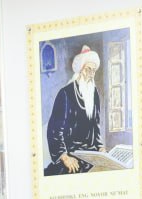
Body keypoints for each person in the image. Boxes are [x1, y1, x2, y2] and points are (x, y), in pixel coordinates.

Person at [44, 46, 105, 176]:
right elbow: (54, 130)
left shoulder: (94, 93)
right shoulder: (65, 93)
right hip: (71, 154)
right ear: (80, 69)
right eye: (88, 69)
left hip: (92, 153)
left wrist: (100, 147)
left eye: (94, 70)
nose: (91, 74)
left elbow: (96, 125)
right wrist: (65, 157)